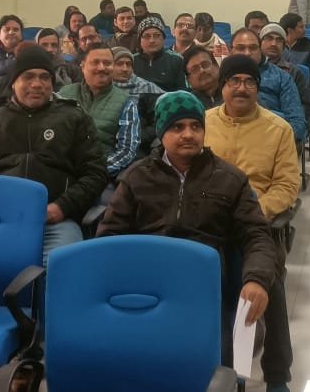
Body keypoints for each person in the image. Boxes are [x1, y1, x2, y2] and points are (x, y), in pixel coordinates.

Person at [97, 92, 276, 380]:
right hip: (148, 287)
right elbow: (110, 237)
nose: (188, 134)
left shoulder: (229, 178)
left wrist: (256, 279)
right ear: (161, 132)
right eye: (177, 127)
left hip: (205, 288)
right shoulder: (136, 177)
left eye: (196, 126)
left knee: (212, 366)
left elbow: (257, 235)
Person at [206, 55, 299, 392]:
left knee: (266, 282)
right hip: (208, 225)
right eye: (234, 81)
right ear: (222, 87)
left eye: (249, 82)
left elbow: (287, 185)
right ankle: (215, 367)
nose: (241, 88)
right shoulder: (202, 123)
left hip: (256, 226)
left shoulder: (279, 129)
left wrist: (253, 210)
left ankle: (276, 373)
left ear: (258, 88)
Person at [0, 44, 107, 263]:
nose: (37, 84)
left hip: (56, 222)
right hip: (0, 221)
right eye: (28, 77)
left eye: (44, 77)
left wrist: (62, 207)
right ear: (13, 83)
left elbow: (95, 173)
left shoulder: (75, 119)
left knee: (62, 270)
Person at [57, 44, 140, 179]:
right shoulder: (63, 94)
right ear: (82, 66)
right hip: (59, 170)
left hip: (101, 175)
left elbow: (126, 151)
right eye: (95, 62)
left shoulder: (126, 102)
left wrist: (95, 171)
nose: (101, 68)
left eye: (107, 63)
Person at [229, 29, 307, 143]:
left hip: (270, 140)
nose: (247, 53)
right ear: (231, 51)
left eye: (253, 48)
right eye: (240, 48)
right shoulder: (221, 78)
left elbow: (297, 124)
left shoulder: (281, 77)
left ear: (260, 49)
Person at [110, 47, 164, 154]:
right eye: (119, 64)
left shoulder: (148, 90)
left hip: (139, 147)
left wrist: (136, 136)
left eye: (128, 64)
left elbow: (159, 123)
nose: (125, 69)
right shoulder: (100, 88)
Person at [260, 23, 310, 120]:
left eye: (279, 40)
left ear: (284, 46)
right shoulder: (252, 69)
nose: (274, 44)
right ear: (260, 43)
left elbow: (307, 106)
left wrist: (285, 118)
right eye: (269, 38)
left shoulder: (294, 72)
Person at [133, 17, 187, 92]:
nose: (152, 40)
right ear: (139, 40)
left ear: (163, 39)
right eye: (147, 36)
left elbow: (182, 92)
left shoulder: (176, 60)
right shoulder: (131, 61)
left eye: (157, 35)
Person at [279, 13, 310, 92]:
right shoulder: (278, 45)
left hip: (301, 87)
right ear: (290, 30)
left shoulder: (308, 46)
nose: (305, 29)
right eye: (301, 27)